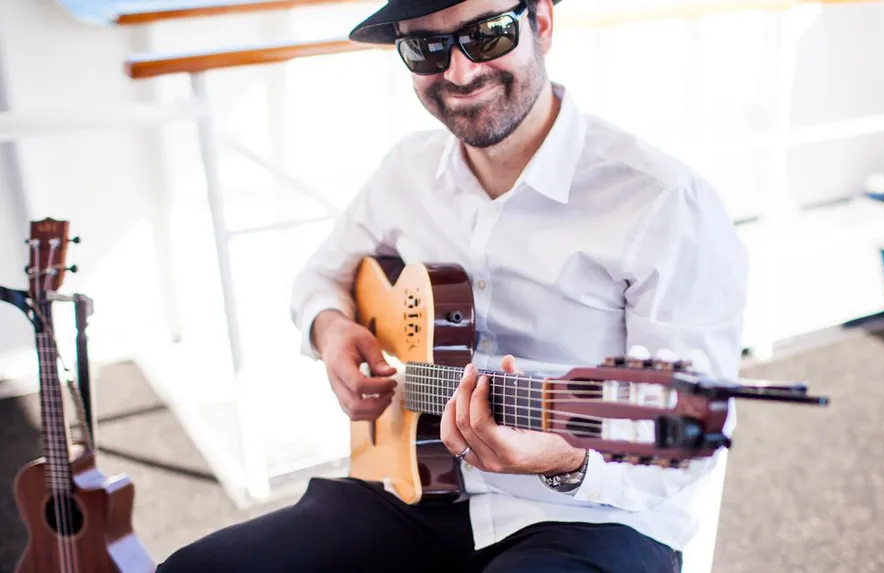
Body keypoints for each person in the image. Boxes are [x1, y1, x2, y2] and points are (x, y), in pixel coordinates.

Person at [156, 0, 748, 571]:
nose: (460, 71)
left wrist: (565, 458)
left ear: (540, 22)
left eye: (487, 34)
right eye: (426, 48)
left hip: (592, 514)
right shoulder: (405, 172)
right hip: (415, 488)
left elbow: (692, 430)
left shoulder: (663, 203)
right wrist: (331, 329)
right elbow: (320, 276)